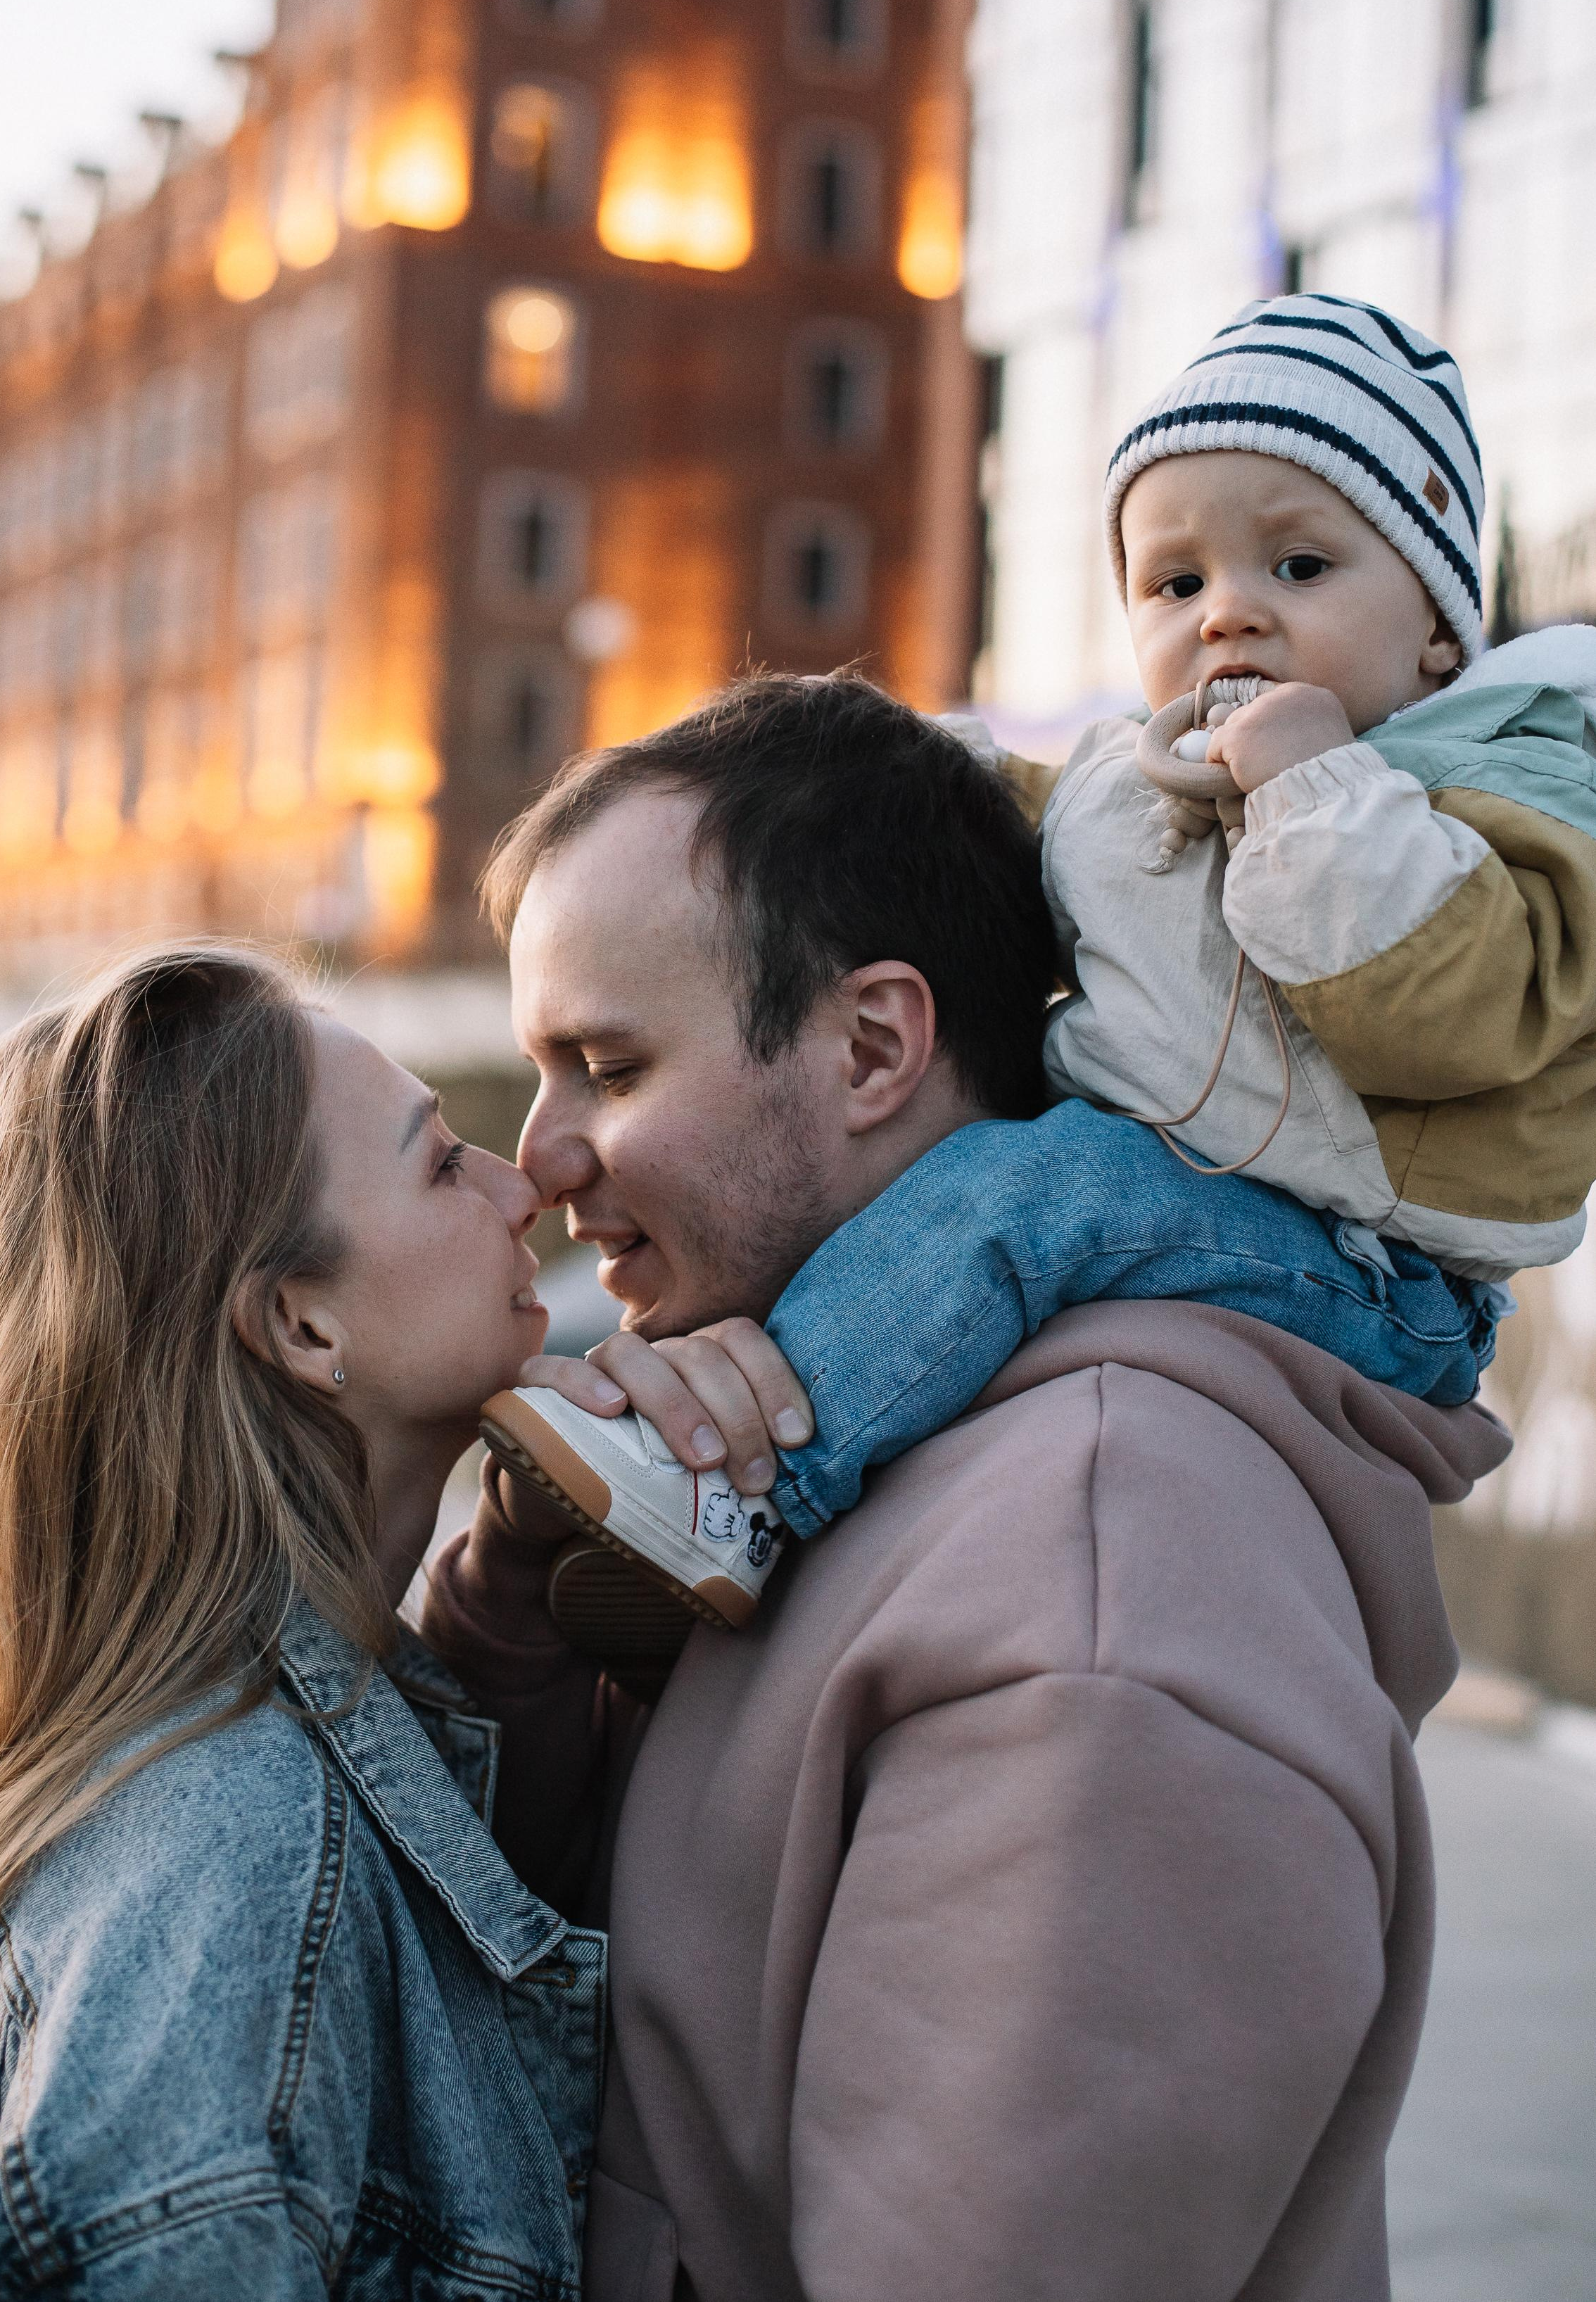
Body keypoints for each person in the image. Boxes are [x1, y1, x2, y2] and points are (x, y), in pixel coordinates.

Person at [420, 673, 1509, 2300]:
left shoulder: (1097, 1589)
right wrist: (522, 1611)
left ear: (873, 1045)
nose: (539, 1159)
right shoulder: (839, 1449)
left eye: (608, 1064)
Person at [471, 295, 1596, 1617]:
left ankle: (753, 1480)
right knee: (1023, 1181)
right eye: (1178, 584)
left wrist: (1312, 794)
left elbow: (1447, 1017)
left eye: (1298, 569)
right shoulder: (1166, 777)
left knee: (1028, 1196)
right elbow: (1037, 816)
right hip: (1216, 1183)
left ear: (1439, 633)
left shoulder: (1493, 800)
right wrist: (875, 751)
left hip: (1374, 1274)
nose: (1228, 616)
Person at [0, 944, 602, 2302]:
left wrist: (526, 1568)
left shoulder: (208, 1778)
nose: (522, 1182)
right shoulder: (237, 1867)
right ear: (303, 1326)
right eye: (442, 1163)